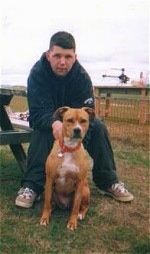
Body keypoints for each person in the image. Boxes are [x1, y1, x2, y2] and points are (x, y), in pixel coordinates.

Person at [15, 31, 134, 208]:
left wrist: (75, 135)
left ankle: (108, 181)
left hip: (75, 123)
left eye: (68, 56)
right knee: (42, 130)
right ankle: (32, 186)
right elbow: (38, 112)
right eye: (57, 56)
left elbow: (89, 113)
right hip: (49, 122)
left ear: (75, 57)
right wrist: (54, 123)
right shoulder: (37, 73)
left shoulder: (82, 77)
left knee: (99, 126)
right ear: (48, 55)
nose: (62, 62)